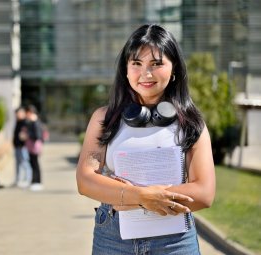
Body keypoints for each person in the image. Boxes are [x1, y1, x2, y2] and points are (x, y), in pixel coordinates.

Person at [76, 24, 216, 254]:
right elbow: (85, 180)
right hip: (113, 238)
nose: (145, 74)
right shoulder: (104, 118)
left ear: (174, 70)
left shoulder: (191, 123)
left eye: (156, 63)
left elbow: (204, 193)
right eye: (137, 64)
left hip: (175, 242)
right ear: (126, 69)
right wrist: (142, 197)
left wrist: (131, 198)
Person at [24, 105, 44, 191]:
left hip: (34, 147)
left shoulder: (35, 122)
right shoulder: (32, 122)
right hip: (31, 147)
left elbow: (37, 135)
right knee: (33, 164)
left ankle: (37, 182)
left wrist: (27, 135)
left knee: (35, 164)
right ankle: (34, 181)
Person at [13, 106, 32, 187]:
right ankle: (18, 180)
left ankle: (28, 179)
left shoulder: (26, 122)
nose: (17, 115)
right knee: (18, 164)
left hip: (23, 147)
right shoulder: (18, 122)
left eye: (18, 113)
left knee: (25, 163)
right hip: (17, 146)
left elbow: (28, 134)